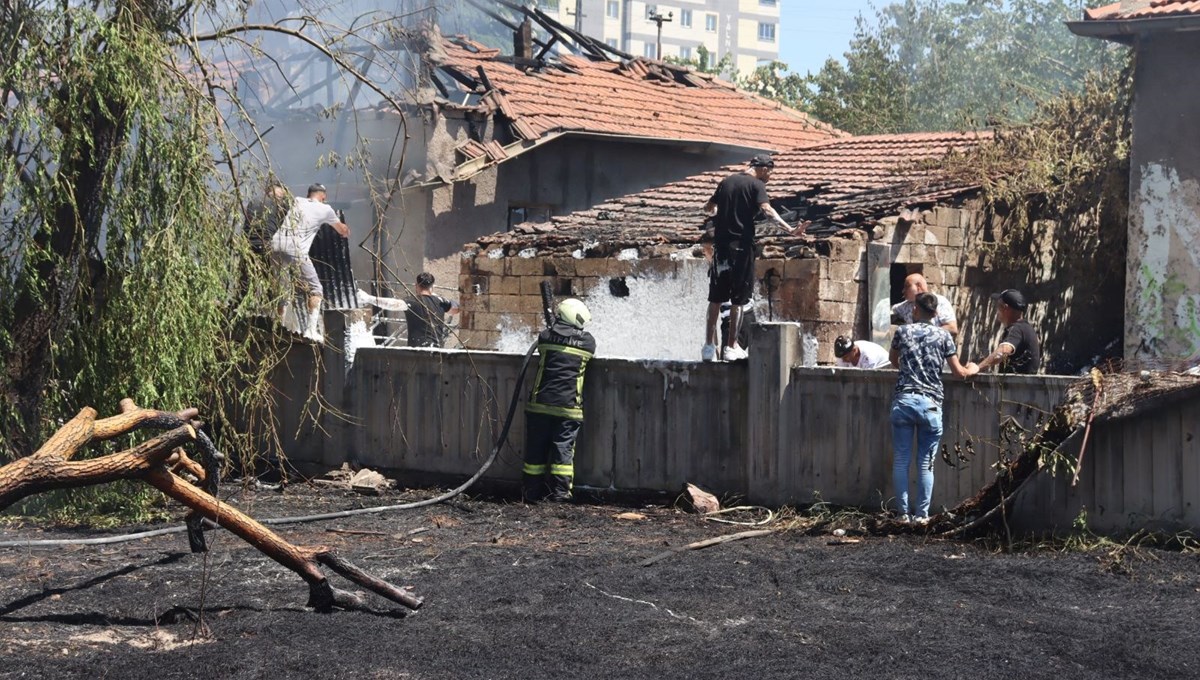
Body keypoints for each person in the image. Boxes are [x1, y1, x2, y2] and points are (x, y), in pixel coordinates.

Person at [701, 153, 804, 362]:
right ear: (764, 168)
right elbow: (767, 210)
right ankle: (731, 346)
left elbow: (708, 208)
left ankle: (709, 348)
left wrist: (723, 215)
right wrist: (790, 229)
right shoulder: (756, 186)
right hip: (741, 248)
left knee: (715, 299)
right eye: (771, 172)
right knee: (739, 299)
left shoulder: (726, 182)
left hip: (720, 248)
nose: (770, 177)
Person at [888, 293, 978, 524]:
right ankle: (921, 516)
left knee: (901, 460)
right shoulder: (944, 336)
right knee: (925, 464)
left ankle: (902, 514)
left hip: (904, 401)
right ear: (936, 313)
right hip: (930, 404)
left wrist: (910, 369)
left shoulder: (902, 332)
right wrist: (974, 368)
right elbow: (959, 373)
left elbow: (894, 360)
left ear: (915, 310)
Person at [523, 298, 597, 503]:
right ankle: (561, 495)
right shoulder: (588, 342)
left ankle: (530, 493)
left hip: (539, 404)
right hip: (568, 408)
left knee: (535, 451)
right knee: (562, 452)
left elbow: (548, 342)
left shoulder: (545, 337)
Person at [269, 183, 350, 341]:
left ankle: (279, 327)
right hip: (295, 249)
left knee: (283, 290)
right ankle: (310, 331)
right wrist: (346, 230)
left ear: (308, 194)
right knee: (316, 290)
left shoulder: (298, 201)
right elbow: (342, 230)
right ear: (323, 197)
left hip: (275, 246)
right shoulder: (326, 209)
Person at [974, 289, 1041, 374]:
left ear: (1004, 308)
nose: (996, 311)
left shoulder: (1016, 329)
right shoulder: (1026, 328)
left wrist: (978, 368)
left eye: (998, 306)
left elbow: (1004, 350)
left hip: (1017, 386)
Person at [890, 273, 958, 336]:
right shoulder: (904, 306)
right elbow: (888, 313)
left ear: (918, 286)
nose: (903, 291)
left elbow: (952, 328)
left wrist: (924, 333)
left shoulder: (940, 302)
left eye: (907, 286)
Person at [403, 272, 460, 348]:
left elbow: (392, 304)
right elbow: (456, 309)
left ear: (416, 285)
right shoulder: (440, 302)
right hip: (437, 351)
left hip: (415, 350)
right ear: (432, 287)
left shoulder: (410, 301)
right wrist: (436, 296)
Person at [244, 181, 291, 255]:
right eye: (280, 198)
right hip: (267, 247)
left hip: (247, 246)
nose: (280, 201)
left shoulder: (253, 201)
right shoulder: (278, 206)